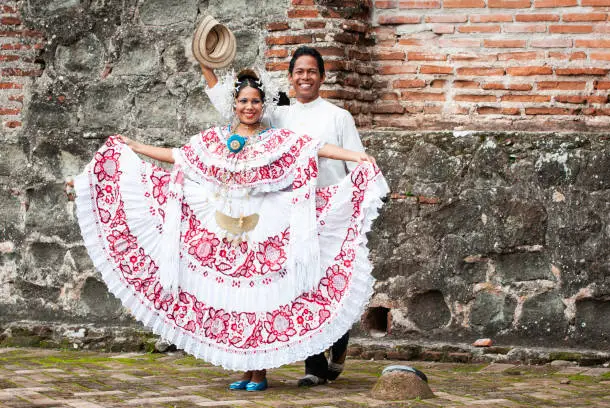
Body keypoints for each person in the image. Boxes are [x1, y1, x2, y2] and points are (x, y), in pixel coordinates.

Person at [75, 69, 388, 392]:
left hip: (264, 229)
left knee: (259, 299)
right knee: (237, 301)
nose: (249, 107)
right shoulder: (215, 140)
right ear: (234, 104)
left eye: (255, 101)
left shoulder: (276, 139)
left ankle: (260, 372)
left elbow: (315, 148)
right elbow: (178, 156)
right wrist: (135, 145)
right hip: (225, 230)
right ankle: (244, 369)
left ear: (263, 105)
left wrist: (356, 156)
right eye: (243, 101)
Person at [201, 46, 365, 387]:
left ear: (322, 76)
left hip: (331, 208)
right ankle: (314, 365)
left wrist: (357, 206)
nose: (305, 77)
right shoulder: (280, 115)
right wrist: (205, 62)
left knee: (328, 281)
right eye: (299, 71)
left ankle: (338, 338)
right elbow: (234, 104)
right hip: (291, 211)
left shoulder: (339, 116)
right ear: (290, 77)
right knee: (298, 284)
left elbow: (356, 161)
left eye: (312, 71)